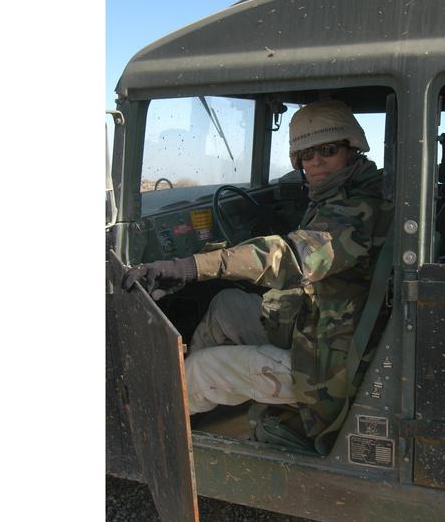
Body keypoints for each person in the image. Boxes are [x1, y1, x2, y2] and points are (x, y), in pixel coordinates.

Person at [121, 100, 394, 454]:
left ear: (352, 148)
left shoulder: (360, 207)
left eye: (327, 150)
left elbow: (295, 256)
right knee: (226, 305)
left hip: (334, 368)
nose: (315, 162)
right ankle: (192, 410)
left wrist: (191, 267)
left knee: (203, 369)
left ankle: (153, 438)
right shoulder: (345, 193)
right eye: (305, 154)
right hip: (323, 325)